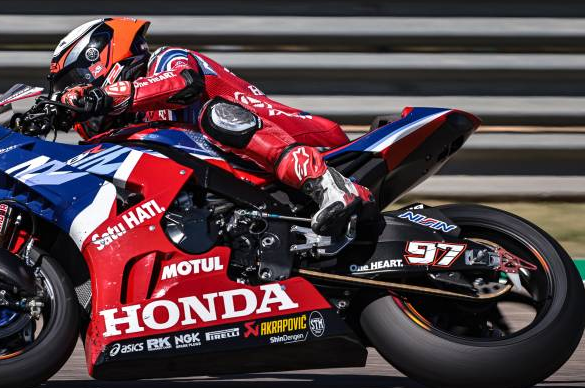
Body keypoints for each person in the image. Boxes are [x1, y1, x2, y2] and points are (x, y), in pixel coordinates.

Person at [47, 18, 373, 234]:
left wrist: (104, 96)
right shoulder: (137, 126)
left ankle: (330, 186)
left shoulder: (166, 59)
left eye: (76, 81)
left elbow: (183, 83)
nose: (76, 93)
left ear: (100, 58)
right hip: (247, 178)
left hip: (303, 136)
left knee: (215, 115)